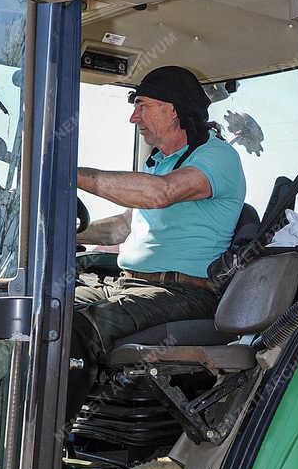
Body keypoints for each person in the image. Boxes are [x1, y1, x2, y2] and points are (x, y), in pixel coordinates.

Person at [71, 66, 246, 385]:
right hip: (126, 283)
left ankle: (53, 430)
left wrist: (68, 172)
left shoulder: (217, 157)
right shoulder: (159, 162)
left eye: (142, 106)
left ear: (174, 109)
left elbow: (160, 194)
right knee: (45, 310)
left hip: (183, 292)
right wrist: (74, 231)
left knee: (76, 329)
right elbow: (127, 225)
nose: (134, 118)